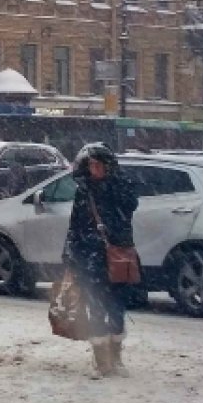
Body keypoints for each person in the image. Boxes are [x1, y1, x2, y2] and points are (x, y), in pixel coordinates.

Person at [63, 142, 139, 378]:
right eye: (91, 165)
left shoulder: (121, 187)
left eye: (98, 164)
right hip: (90, 259)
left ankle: (116, 358)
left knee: (116, 309)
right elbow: (74, 226)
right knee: (95, 308)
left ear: (108, 165)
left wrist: (111, 187)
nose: (94, 169)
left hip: (116, 257)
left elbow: (127, 214)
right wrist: (70, 255)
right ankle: (101, 361)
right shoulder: (84, 191)